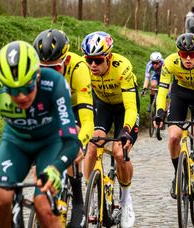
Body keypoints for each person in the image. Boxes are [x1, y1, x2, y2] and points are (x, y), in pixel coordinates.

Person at [0, 41, 79, 228]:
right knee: (0, 199)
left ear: (38, 75)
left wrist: (56, 168)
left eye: (27, 87)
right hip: (15, 143)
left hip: (50, 143)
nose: (22, 96)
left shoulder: (55, 83)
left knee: (44, 206)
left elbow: (72, 142)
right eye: (13, 91)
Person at [33, 28, 94, 227]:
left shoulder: (79, 68)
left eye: (56, 68)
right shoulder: (32, 70)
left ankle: (78, 201)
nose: (49, 73)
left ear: (65, 62)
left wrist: (79, 143)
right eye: (44, 68)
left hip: (75, 105)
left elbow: (87, 122)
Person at [81, 31, 139, 228]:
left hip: (124, 107)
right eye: (89, 60)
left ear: (109, 57)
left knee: (119, 154)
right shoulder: (85, 69)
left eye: (98, 60)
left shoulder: (122, 67)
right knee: (92, 146)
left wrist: (126, 130)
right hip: (103, 106)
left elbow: (131, 106)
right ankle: (88, 200)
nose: (93, 66)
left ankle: (126, 201)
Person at [154, 33, 194, 202]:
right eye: (183, 54)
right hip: (180, 93)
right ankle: (178, 175)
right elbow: (162, 91)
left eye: (192, 54)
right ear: (178, 53)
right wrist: (160, 111)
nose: (188, 58)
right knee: (174, 136)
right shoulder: (170, 62)